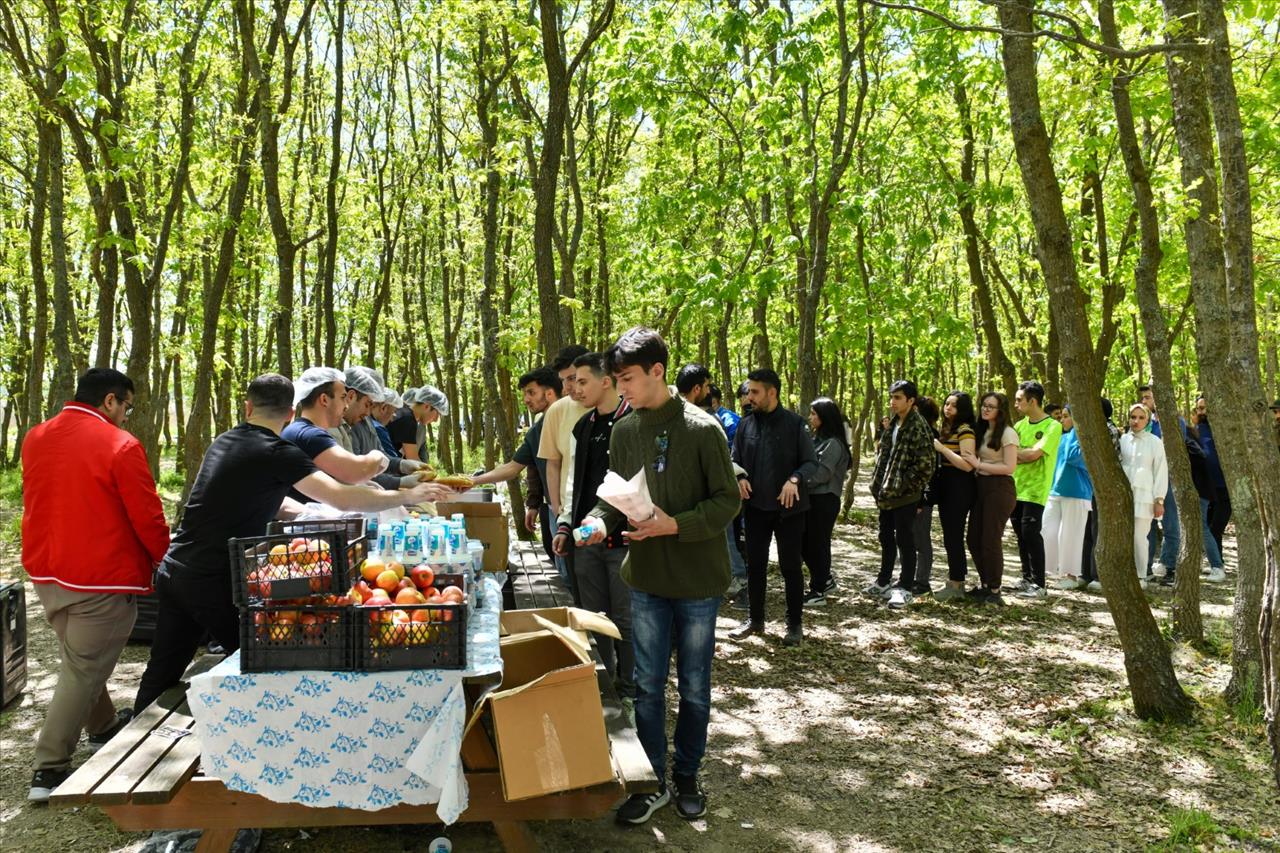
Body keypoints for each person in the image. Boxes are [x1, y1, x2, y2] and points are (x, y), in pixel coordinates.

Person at [132, 374, 453, 713]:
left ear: (248, 407)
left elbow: (262, 498)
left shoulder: (225, 441)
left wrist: (309, 513)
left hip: (175, 568)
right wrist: (406, 494)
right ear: (289, 413)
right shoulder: (277, 451)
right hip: (214, 578)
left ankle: (128, 744)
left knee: (163, 668)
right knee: (264, 661)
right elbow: (343, 497)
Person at [576, 328, 738, 825]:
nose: (620, 388)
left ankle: (687, 775)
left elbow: (727, 501)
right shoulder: (625, 431)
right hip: (644, 578)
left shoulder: (704, 428)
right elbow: (616, 496)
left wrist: (676, 524)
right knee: (646, 686)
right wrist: (597, 521)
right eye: (617, 379)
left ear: (657, 372)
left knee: (693, 684)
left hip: (697, 582)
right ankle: (653, 782)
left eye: (626, 379)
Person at [21, 369, 171, 803]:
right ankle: (48, 767)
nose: (127, 415)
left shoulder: (36, 436)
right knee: (83, 668)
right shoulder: (119, 445)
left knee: (82, 660)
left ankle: (103, 726)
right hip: (99, 575)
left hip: (48, 570)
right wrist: (165, 560)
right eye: (127, 406)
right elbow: (146, 515)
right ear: (110, 401)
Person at [552, 354, 634, 701]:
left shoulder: (633, 422)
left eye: (582, 381)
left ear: (606, 381)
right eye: (572, 381)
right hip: (585, 540)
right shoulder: (582, 426)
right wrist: (565, 524)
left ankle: (630, 687)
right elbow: (572, 482)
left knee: (626, 618)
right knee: (594, 616)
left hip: (627, 540)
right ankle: (604, 682)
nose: (574, 388)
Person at [729, 368, 818, 644]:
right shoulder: (745, 425)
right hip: (755, 508)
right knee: (755, 565)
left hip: (789, 509)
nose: (749, 397)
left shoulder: (794, 423)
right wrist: (740, 476)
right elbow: (734, 459)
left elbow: (810, 462)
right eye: (748, 391)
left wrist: (795, 479)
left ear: (772, 392)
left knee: (791, 566)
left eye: (755, 392)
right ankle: (755, 621)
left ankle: (794, 625)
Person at [472, 367, 562, 562]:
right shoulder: (536, 431)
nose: (526, 399)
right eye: (524, 394)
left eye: (531, 392)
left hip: (576, 511)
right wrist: (473, 481)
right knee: (563, 572)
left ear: (550, 393)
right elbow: (513, 467)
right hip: (552, 511)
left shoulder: (574, 421)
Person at [865, 380, 936, 609]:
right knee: (885, 536)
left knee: (905, 539)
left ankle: (905, 587)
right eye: (891, 397)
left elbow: (926, 465)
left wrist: (904, 485)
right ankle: (884, 581)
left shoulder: (919, 426)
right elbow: (886, 455)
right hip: (886, 493)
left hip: (905, 496)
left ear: (910, 400)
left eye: (897, 398)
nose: (892, 402)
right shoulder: (894, 423)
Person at [281, 368, 400, 497]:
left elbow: (337, 489)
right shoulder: (310, 435)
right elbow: (356, 472)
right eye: (343, 397)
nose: (346, 405)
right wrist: (377, 456)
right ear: (324, 400)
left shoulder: (304, 430)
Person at [538, 345, 591, 597]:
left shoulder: (613, 406)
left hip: (608, 514)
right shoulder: (557, 411)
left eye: (574, 379)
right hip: (568, 514)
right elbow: (553, 462)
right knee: (571, 582)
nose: (569, 388)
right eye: (564, 381)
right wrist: (557, 509)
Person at [961, 392, 1019, 605]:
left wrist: (979, 465)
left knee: (990, 539)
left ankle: (995, 590)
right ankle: (985, 584)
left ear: (1000, 411)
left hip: (1000, 488)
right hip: (981, 487)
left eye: (991, 407)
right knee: (973, 538)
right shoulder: (983, 430)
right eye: (984, 405)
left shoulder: (1008, 433)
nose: (985, 409)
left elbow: (1010, 466)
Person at [1009, 380, 1062, 600]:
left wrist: (1019, 453)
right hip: (1015, 486)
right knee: (1020, 534)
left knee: (1031, 532)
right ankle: (1026, 578)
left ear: (1033, 401)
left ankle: (1040, 584)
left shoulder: (1052, 426)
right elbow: (1008, 453)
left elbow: (1033, 455)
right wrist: (1021, 454)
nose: (1016, 404)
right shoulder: (1019, 426)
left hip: (1036, 489)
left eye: (1020, 400)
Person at [800, 397, 850, 607]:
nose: (810, 418)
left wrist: (797, 482)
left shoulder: (834, 444)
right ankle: (825, 579)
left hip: (824, 500)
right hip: (812, 499)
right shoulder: (817, 439)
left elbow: (821, 474)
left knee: (817, 544)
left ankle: (818, 590)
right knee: (807, 543)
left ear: (824, 417)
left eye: (814, 414)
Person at [930, 391, 977, 602]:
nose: (947, 408)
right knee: (949, 535)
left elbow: (967, 465)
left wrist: (941, 449)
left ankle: (957, 583)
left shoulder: (965, 431)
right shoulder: (947, 429)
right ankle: (954, 580)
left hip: (960, 485)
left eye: (953, 405)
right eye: (946, 403)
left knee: (954, 535)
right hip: (947, 485)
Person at [1043, 405, 1093, 591]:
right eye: (1061, 416)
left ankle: (1071, 575)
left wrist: (1077, 433)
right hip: (1055, 490)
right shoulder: (1062, 437)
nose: (1061, 420)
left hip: (1078, 492)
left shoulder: (1086, 439)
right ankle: (1048, 570)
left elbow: (1075, 457)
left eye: (1065, 416)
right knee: (1047, 530)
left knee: (1071, 534)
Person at [1120, 403, 1168, 587]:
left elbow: (1160, 471)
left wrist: (1159, 499)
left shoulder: (1155, 442)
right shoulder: (1123, 439)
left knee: (1140, 537)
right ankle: (1124, 573)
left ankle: (1140, 575)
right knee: (1123, 535)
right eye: (1133, 417)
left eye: (1141, 418)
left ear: (1147, 420)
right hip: (1124, 495)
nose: (1136, 421)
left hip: (1145, 496)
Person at [1138, 385, 1180, 581]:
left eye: (1147, 397)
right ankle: (1145, 566)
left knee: (1170, 523)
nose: (1144, 401)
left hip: (1168, 479)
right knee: (1147, 523)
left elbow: (1172, 452)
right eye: (1143, 398)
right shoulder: (1146, 424)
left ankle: (1168, 566)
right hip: (1147, 480)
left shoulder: (1175, 423)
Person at [1190, 395, 1228, 583]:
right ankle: (1217, 563)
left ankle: (1217, 564)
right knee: (1209, 526)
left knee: (1215, 527)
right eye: (1200, 408)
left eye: (1205, 408)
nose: (1203, 412)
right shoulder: (1195, 431)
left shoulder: (1225, 429)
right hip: (1205, 488)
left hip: (1225, 488)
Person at [911, 396, 941, 596]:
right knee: (910, 538)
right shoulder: (917, 432)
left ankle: (922, 582)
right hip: (912, 496)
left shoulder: (929, 435)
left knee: (921, 540)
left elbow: (929, 471)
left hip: (922, 497)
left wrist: (922, 499)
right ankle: (911, 578)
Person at [386, 384, 449, 462]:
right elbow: (412, 459)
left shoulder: (405, 414)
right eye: (437, 414)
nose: (436, 420)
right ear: (426, 406)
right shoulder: (408, 419)